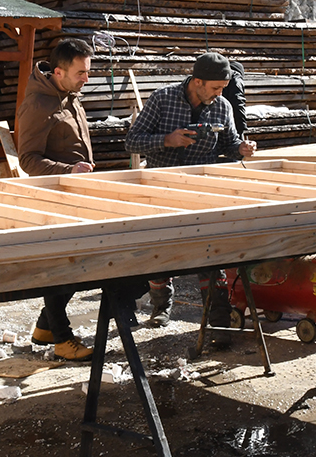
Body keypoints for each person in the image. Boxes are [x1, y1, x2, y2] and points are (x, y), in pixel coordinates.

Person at [124, 52, 256, 344]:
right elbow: (131, 140)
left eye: (223, 88)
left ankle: (219, 323)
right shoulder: (163, 99)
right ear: (197, 81)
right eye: (215, 88)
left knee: (211, 254)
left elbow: (230, 144)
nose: (220, 94)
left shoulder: (222, 106)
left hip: (200, 190)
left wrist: (242, 149)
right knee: (162, 251)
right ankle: (161, 306)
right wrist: (166, 140)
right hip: (162, 188)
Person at [16, 38, 95, 360]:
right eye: (80, 73)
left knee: (75, 266)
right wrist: (68, 170)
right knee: (64, 268)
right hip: (55, 197)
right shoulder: (38, 105)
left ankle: (45, 327)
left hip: (75, 192)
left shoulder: (70, 95)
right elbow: (28, 159)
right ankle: (62, 339)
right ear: (59, 72)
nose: (86, 79)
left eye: (88, 72)